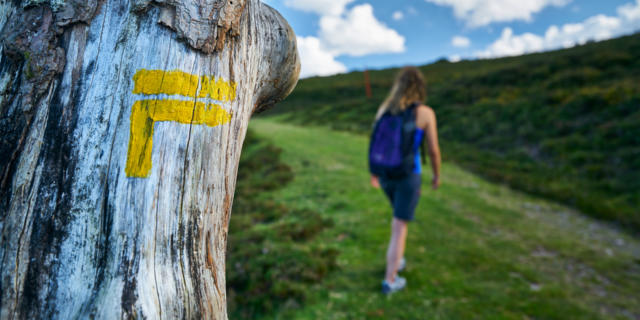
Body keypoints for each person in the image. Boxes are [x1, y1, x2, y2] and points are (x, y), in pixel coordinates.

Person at [369, 66, 441, 294]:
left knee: (397, 220)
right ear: (420, 87)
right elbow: (433, 150)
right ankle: (390, 280)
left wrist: (375, 172)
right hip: (409, 176)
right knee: (399, 227)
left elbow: (375, 142)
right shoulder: (425, 113)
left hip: (386, 176)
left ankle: (396, 259)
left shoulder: (384, 110)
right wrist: (437, 174)